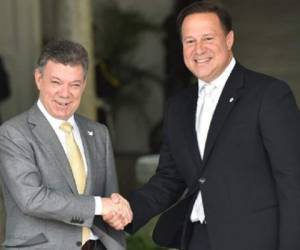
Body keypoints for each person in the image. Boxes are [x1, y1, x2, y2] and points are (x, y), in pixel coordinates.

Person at [105, 1, 300, 250]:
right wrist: (129, 209)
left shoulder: (269, 94)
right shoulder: (179, 105)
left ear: (229, 40)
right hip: (196, 239)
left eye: (208, 38)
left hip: (255, 240)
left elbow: (293, 182)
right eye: (190, 41)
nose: (199, 49)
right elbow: (169, 177)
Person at [0, 40, 132, 250]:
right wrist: (100, 205)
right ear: (38, 79)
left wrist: (116, 215)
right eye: (56, 82)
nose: (65, 93)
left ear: (84, 85)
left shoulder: (99, 133)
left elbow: (110, 202)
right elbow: (32, 199)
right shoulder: (13, 133)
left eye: (74, 84)